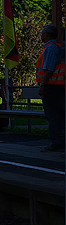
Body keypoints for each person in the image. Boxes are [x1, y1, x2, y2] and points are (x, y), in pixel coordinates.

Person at [36, 24, 65, 152]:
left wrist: (43, 85)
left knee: (53, 116)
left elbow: (49, 68)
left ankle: (56, 142)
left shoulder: (51, 48)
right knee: (57, 115)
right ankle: (59, 141)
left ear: (47, 34)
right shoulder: (55, 47)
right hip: (56, 86)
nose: (41, 35)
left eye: (42, 33)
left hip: (52, 87)